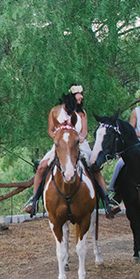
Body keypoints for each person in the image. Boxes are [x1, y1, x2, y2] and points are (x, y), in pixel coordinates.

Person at [24, 84, 120, 217]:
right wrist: (58, 138)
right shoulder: (55, 111)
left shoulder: (82, 113)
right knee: (41, 167)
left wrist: (79, 138)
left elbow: (85, 132)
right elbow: (50, 131)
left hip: (80, 145)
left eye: (81, 94)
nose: (81, 96)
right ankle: (34, 201)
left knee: (95, 167)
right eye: (78, 94)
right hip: (61, 145)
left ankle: (107, 202)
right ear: (71, 96)